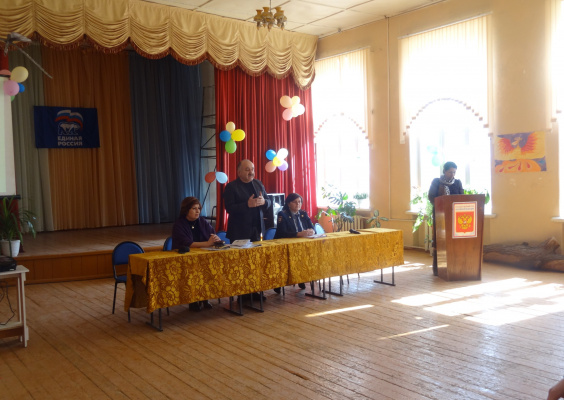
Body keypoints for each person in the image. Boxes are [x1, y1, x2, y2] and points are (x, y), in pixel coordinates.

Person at [223, 159, 272, 302]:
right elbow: (229, 208)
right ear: (239, 172)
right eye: (247, 169)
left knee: (255, 262)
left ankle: (255, 291)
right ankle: (243, 294)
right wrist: (247, 204)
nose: (251, 172)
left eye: (252, 169)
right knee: (242, 264)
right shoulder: (231, 187)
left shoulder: (258, 184)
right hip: (239, 231)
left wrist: (264, 202)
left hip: (257, 230)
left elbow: (269, 202)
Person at [171, 196, 221, 311]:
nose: (197, 211)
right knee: (193, 271)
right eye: (194, 208)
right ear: (186, 210)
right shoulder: (179, 224)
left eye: (199, 208)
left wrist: (215, 239)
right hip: (185, 258)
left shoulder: (202, 221)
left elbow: (212, 234)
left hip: (202, 255)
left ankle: (205, 297)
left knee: (208, 268)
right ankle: (193, 300)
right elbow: (187, 243)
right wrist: (207, 243)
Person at [428, 161, 464, 276]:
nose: (452, 175)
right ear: (444, 171)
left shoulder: (457, 183)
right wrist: (443, 203)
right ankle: (438, 269)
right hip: (440, 215)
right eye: (450, 172)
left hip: (455, 216)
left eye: (454, 172)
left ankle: (454, 266)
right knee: (439, 241)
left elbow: (462, 198)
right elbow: (431, 197)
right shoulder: (436, 182)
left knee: (453, 241)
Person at [273, 193, 315, 293]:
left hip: (301, 244)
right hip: (284, 245)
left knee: (305, 256)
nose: (298, 204)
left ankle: (301, 278)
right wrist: (298, 234)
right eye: (295, 202)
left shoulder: (303, 213)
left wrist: (312, 231)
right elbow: (282, 232)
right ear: (288, 203)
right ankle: (279, 283)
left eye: (299, 202)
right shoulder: (282, 214)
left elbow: (312, 228)